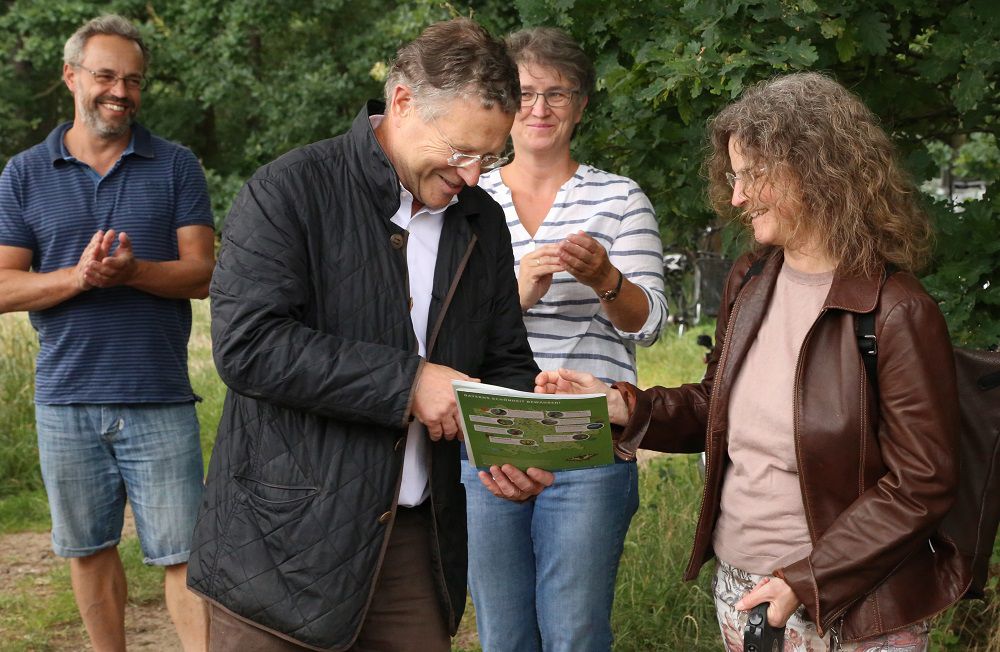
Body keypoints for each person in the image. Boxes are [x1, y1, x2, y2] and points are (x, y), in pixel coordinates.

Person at [536, 72, 970, 650]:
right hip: (743, 588)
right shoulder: (751, 279)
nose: (737, 198)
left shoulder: (896, 310)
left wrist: (805, 580)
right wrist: (621, 405)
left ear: (815, 170)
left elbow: (923, 484)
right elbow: (713, 406)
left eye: (753, 175)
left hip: (854, 608)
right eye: (734, 177)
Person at [186, 18, 550, 652]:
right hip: (278, 544)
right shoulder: (287, 190)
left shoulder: (481, 220)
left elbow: (504, 357)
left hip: (414, 541)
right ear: (402, 101)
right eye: (461, 151)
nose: (472, 175)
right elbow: (248, 346)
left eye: (491, 157)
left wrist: (519, 442)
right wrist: (409, 384)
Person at [0, 14, 214, 652]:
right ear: (71, 77)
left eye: (133, 80)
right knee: (88, 549)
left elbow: (203, 274)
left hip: (160, 396)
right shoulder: (23, 174)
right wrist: (79, 278)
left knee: (186, 556)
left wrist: (133, 272)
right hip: (65, 399)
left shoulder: (176, 166)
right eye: (105, 76)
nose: (120, 91)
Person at [462, 27, 667, 652]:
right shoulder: (467, 195)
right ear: (504, 100)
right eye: (525, 93)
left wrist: (606, 279)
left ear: (580, 105)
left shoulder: (620, 197)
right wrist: (517, 293)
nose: (540, 108)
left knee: (574, 632)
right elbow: (437, 331)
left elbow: (650, 324)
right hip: (492, 430)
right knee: (503, 633)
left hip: (588, 431)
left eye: (558, 93)